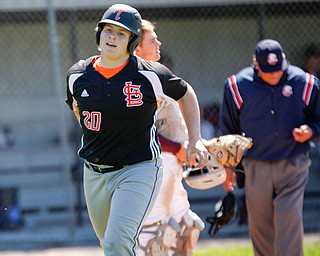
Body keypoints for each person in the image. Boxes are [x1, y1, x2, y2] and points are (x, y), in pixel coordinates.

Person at [65, 4, 208, 256]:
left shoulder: (149, 74)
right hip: (95, 172)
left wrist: (195, 139)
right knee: (109, 243)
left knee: (117, 242)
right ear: (98, 35)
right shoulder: (77, 75)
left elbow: (186, 93)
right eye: (108, 30)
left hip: (138, 168)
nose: (112, 37)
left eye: (121, 33)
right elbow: (77, 109)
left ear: (132, 43)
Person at [220, 39, 320, 256]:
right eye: (268, 71)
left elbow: (318, 118)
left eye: (277, 69)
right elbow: (228, 131)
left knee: (288, 214)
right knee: (260, 224)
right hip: (256, 164)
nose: (274, 75)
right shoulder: (238, 86)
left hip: (293, 162)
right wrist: (228, 167)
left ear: (283, 59)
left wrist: (311, 131)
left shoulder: (305, 82)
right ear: (256, 64)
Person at [134, 19, 205, 256]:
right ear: (136, 49)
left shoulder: (159, 75)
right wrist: (178, 147)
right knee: (154, 238)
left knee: (186, 229)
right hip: (151, 167)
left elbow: (186, 97)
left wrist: (194, 143)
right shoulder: (134, 82)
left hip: (171, 164)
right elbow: (141, 133)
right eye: (152, 40)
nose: (159, 43)